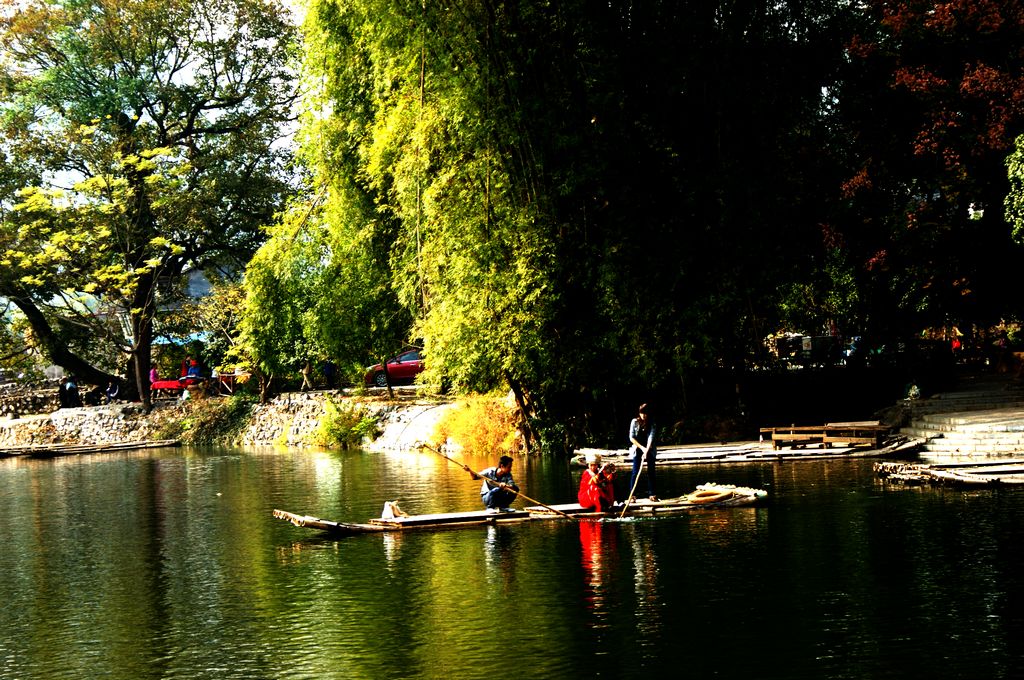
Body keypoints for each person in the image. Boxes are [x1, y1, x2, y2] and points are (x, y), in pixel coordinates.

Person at [627, 403, 657, 502]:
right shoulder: (634, 422)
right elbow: (631, 438)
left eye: (645, 413)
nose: (643, 415)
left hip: (650, 449)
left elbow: (650, 438)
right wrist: (642, 449)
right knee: (635, 472)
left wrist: (646, 450)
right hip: (638, 448)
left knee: (651, 472)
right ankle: (632, 495)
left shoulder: (652, 423)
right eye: (641, 413)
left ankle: (652, 494)